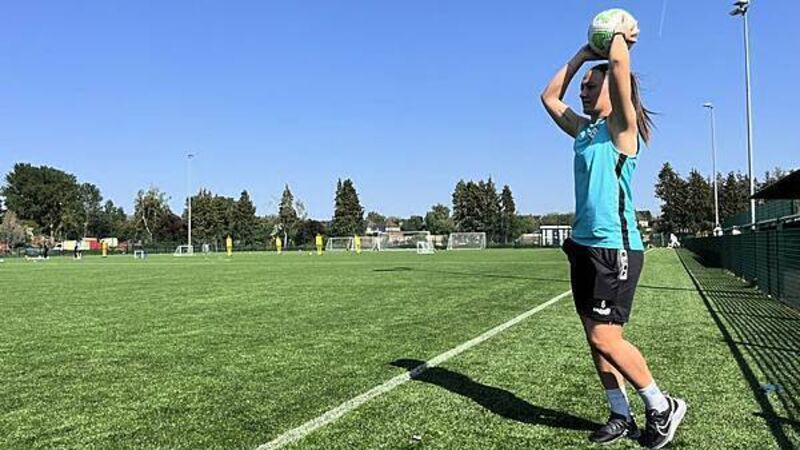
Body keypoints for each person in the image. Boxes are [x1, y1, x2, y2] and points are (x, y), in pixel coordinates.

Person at [540, 20, 686, 449]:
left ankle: (661, 405)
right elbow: (548, 97)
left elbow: (620, 67)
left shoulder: (622, 128)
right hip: (582, 247)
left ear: (612, 92)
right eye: (582, 87)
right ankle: (620, 414)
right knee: (596, 338)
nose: (582, 93)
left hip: (614, 248)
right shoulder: (584, 131)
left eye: (590, 86)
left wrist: (617, 37)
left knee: (606, 336)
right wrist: (584, 56)